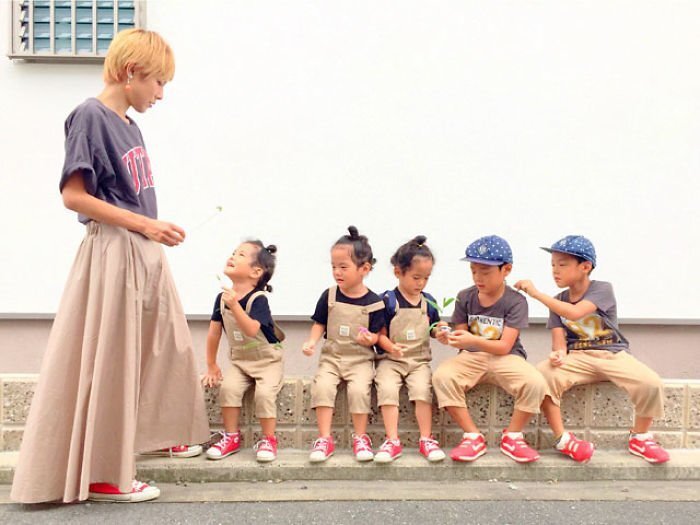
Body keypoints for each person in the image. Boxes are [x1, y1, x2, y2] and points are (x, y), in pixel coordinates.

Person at [10, 29, 209, 504]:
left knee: (160, 351)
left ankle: (126, 453)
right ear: (130, 72)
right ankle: (104, 474)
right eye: (157, 82)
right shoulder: (90, 116)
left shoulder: (130, 125)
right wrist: (147, 224)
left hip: (140, 247)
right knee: (111, 361)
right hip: (117, 249)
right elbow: (73, 196)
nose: (161, 93)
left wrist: (152, 231)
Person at [515, 235, 669, 464]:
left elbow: (575, 313)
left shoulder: (602, 289)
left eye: (562, 264)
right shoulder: (558, 300)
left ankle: (640, 437)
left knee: (650, 382)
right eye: (553, 265)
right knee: (543, 374)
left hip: (611, 353)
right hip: (578, 357)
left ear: (585, 267)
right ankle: (563, 439)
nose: (555, 271)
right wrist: (558, 354)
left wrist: (536, 294)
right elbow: (559, 339)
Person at [432, 235, 546, 463]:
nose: (478, 278)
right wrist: (449, 337)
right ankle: (472, 436)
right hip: (471, 356)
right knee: (442, 377)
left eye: (485, 272)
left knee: (536, 382)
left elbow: (505, 345)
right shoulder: (465, 296)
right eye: (474, 271)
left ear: (506, 270)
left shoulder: (515, 301)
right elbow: (460, 335)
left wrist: (470, 341)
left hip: (506, 357)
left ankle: (513, 436)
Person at [302, 226, 385, 462]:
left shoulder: (374, 303)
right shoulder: (329, 296)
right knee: (323, 387)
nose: (337, 272)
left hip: (360, 359)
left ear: (365, 269)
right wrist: (311, 341)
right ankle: (325, 438)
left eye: (343, 267)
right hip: (332, 357)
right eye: (333, 267)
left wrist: (372, 339)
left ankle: (360, 437)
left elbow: (379, 335)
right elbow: (320, 323)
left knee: (359, 390)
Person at [201, 241, 284, 463]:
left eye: (240, 254)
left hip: (267, 361)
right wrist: (211, 364)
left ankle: (268, 439)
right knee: (228, 389)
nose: (233, 256)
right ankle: (231, 436)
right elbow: (214, 333)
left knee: (264, 394)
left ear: (256, 272)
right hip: (240, 361)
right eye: (233, 252)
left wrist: (236, 306)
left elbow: (252, 329)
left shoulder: (258, 299)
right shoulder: (222, 299)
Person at [373, 236, 446, 463]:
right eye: (416, 277)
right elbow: (379, 334)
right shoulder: (387, 300)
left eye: (426, 278)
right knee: (386, 388)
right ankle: (392, 440)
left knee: (422, 390)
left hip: (419, 360)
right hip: (390, 360)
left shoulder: (428, 301)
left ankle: (426, 438)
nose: (421, 283)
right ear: (398, 272)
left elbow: (434, 327)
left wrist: (441, 332)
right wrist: (390, 347)